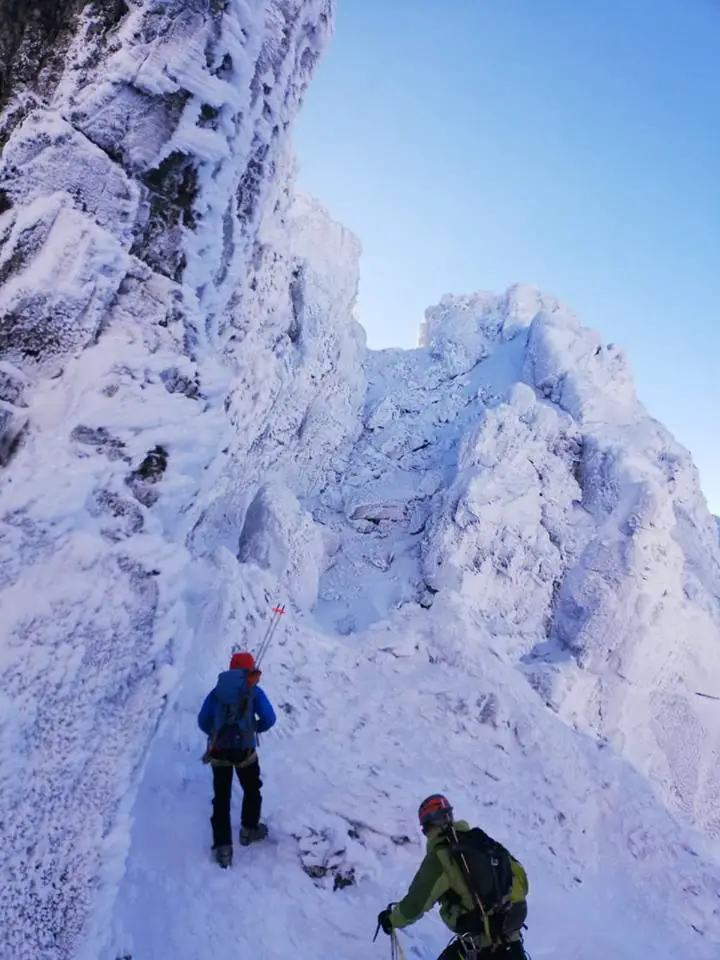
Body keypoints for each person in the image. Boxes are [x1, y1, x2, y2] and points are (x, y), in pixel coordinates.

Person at [377, 795, 528, 959]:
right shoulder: (483, 842)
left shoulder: (441, 856)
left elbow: (415, 904)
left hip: (479, 948)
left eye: (424, 829)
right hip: (512, 944)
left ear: (429, 826)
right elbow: (522, 881)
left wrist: (392, 920)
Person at [197, 651, 276, 867]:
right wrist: (254, 729)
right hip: (245, 750)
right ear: (249, 669)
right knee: (252, 788)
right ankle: (249, 830)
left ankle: (223, 848)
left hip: (219, 750)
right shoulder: (254, 691)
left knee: (221, 798)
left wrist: (216, 734)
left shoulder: (216, 693)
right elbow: (270, 718)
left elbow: (203, 721)